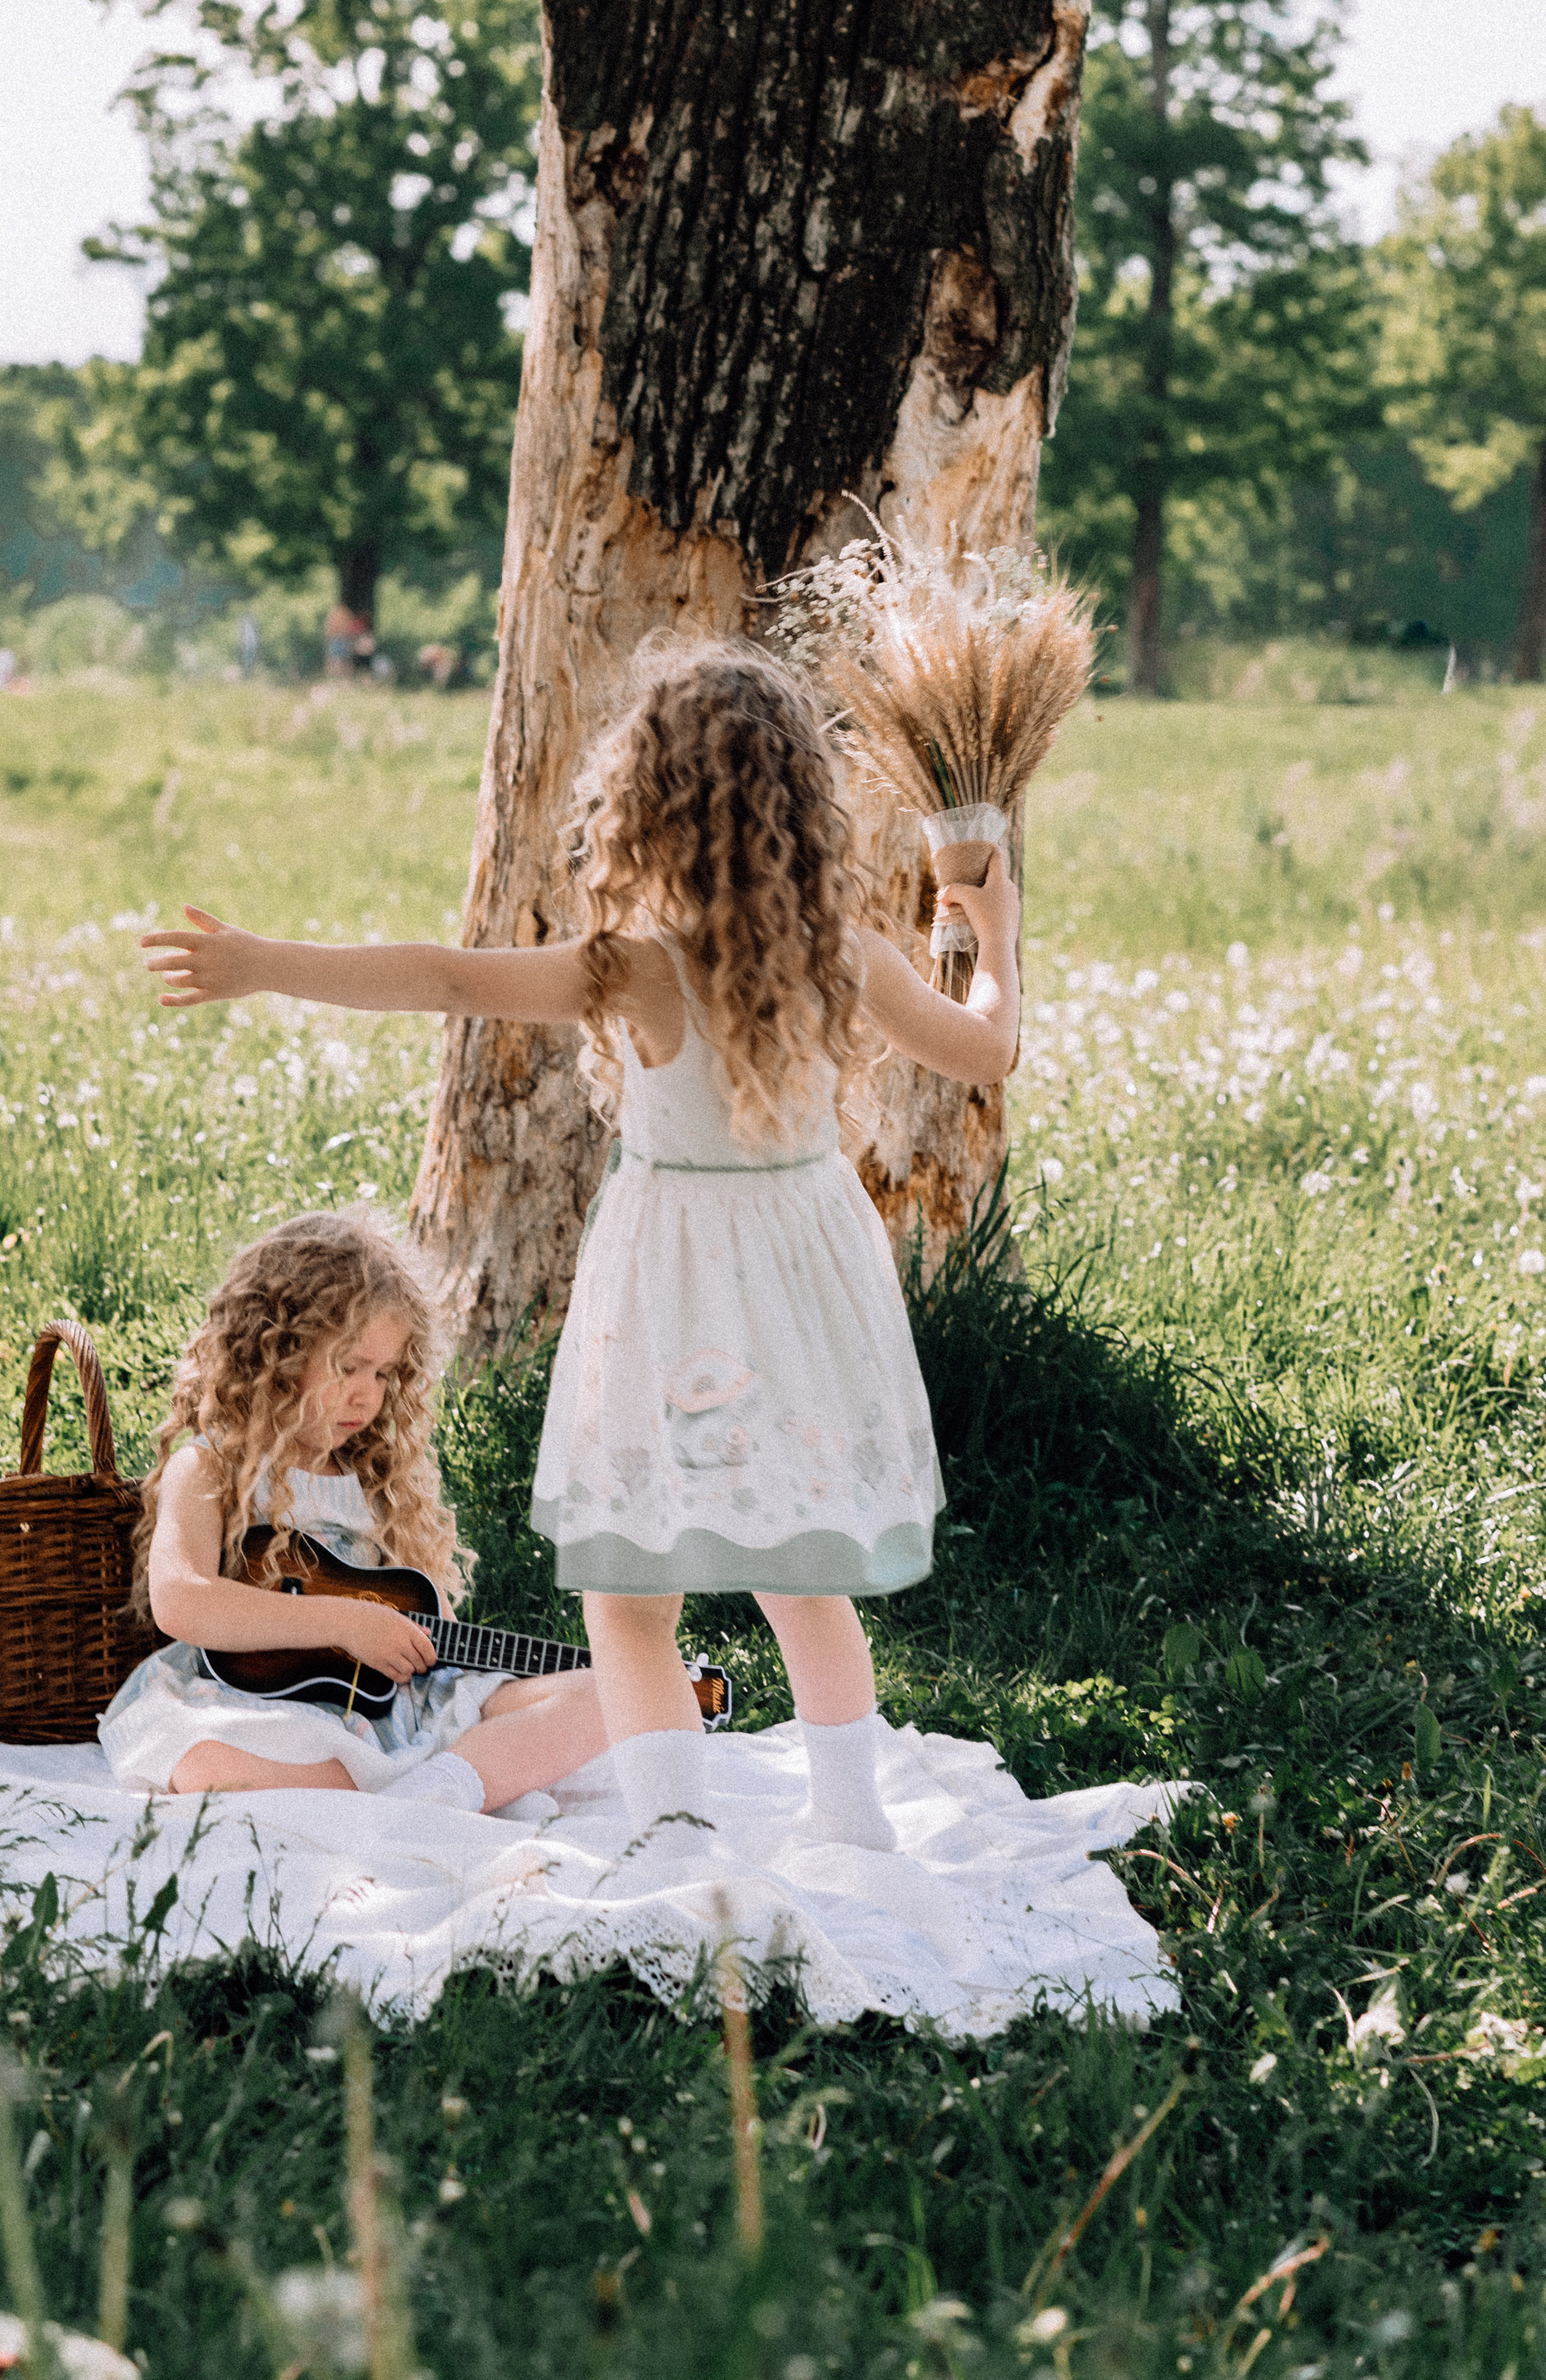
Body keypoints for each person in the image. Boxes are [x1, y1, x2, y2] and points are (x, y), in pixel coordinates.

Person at [140, 639, 1022, 1857]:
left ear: (646, 805)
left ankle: (672, 1834)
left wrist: (260, 964)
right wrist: (994, 928)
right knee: (799, 1576)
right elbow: (987, 1048)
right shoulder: (850, 959)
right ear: (803, 812)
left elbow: (445, 973)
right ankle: (853, 1826)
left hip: (671, 1278)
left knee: (631, 1592)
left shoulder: (637, 969)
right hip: (807, 1277)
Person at [101, 1204, 611, 1813]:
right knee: (203, 1759)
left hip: (389, 1708)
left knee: (608, 1694)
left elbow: (422, 1620)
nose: (367, 1394)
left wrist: (416, 1635)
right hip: (259, 1706)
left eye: (385, 1373)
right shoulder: (212, 1466)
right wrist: (344, 1624)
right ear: (278, 1354)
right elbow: (182, 1599)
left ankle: (442, 1789)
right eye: (349, 1367)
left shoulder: (374, 1476)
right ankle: (437, 1793)